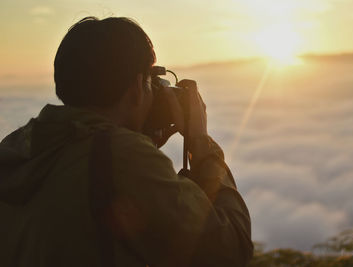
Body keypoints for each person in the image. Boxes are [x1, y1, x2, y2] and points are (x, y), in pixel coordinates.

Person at [0, 16, 253, 267]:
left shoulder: (19, 147)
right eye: (150, 82)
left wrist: (141, 140)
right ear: (135, 87)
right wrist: (201, 144)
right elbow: (230, 249)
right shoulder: (124, 157)